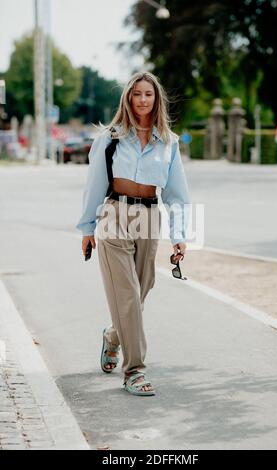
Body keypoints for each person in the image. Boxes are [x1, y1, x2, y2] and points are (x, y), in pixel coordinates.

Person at [76, 71, 191, 396]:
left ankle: (113, 336)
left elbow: (178, 194)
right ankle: (135, 371)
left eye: (148, 94)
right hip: (114, 215)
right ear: (128, 98)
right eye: (137, 94)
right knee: (127, 295)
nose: (142, 99)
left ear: (157, 100)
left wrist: (179, 233)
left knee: (142, 289)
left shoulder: (168, 142)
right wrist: (87, 228)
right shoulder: (110, 139)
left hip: (150, 217)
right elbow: (94, 186)